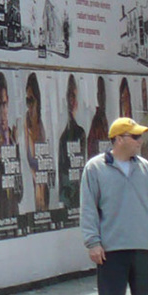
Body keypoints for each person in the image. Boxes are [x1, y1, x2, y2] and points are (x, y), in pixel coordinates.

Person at [80, 116, 148, 295]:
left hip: (145, 249)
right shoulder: (95, 169)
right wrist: (93, 242)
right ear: (119, 139)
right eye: (135, 136)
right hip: (111, 251)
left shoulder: (146, 169)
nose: (140, 141)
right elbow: (88, 209)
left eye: (140, 136)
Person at [0, 72, 24, 221]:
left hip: (14, 212)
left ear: (8, 102)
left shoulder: (13, 139)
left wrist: (15, 149)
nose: (2, 110)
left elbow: (19, 193)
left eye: (4, 104)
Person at [57, 74, 88, 209]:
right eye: (69, 96)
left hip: (79, 195)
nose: (71, 101)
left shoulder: (80, 132)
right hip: (70, 196)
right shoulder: (63, 135)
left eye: (73, 96)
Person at [22, 73, 50, 212]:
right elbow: (27, 156)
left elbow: (45, 159)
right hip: (32, 178)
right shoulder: (26, 122)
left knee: (42, 207)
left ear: (37, 101)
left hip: (41, 179)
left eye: (31, 100)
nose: (29, 105)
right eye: (27, 101)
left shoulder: (41, 125)